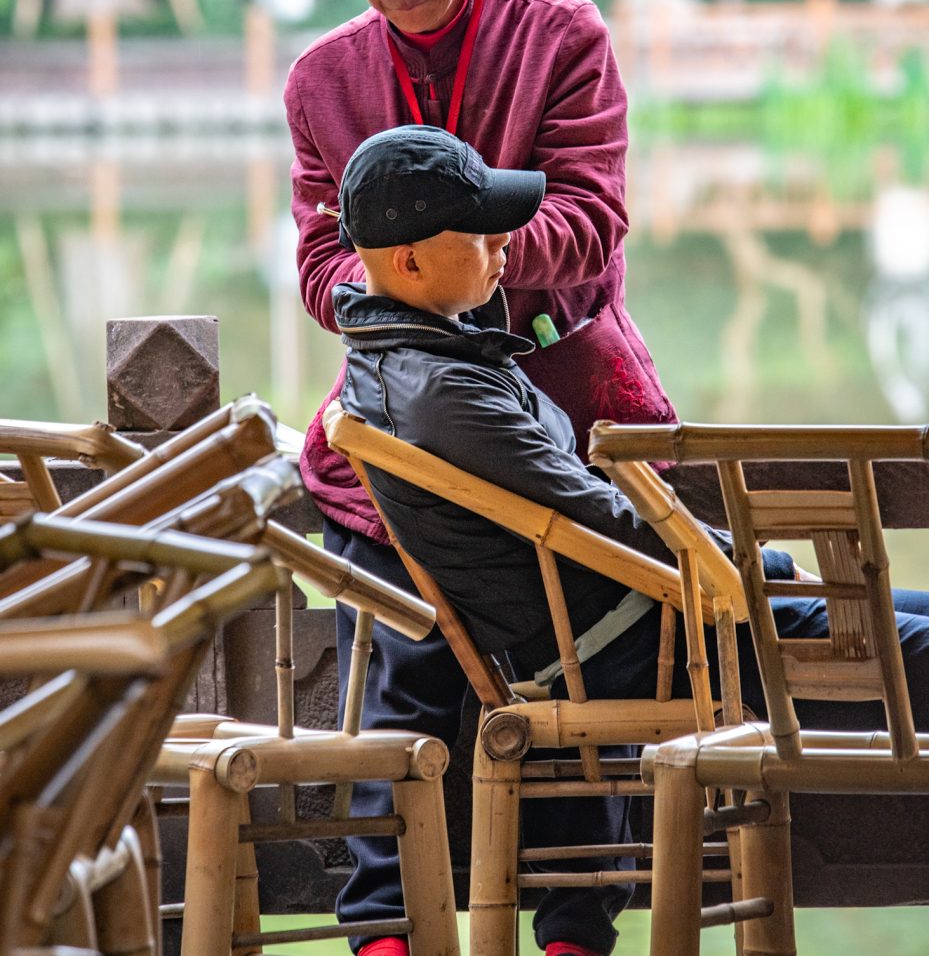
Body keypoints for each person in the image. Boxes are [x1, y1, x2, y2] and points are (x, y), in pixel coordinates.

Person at [330, 124, 929, 956]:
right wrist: (755, 562)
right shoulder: (439, 393)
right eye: (480, 234)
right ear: (408, 262)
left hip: (634, 620)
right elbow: (599, 513)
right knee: (920, 642)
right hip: (654, 634)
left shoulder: (405, 356)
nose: (505, 246)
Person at [283, 0, 676, 955]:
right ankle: (385, 927)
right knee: (407, 656)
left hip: (566, 388)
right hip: (404, 411)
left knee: (581, 651)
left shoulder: (561, 32)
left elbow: (589, 226)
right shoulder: (320, 80)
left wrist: (441, 254)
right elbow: (321, 268)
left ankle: (570, 926)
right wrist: (412, 302)